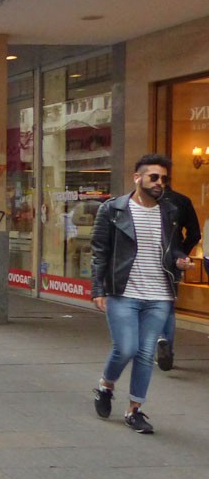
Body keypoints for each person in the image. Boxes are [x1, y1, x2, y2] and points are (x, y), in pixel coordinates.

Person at [91, 154, 191, 435]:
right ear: (138, 178)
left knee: (146, 354)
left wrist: (180, 258)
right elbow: (99, 251)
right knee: (126, 348)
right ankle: (105, 386)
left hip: (159, 295)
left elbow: (173, 249)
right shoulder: (113, 209)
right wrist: (98, 289)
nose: (160, 183)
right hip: (123, 292)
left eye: (163, 179)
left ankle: (134, 410)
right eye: (154, 177)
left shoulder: (169, 211)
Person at [154, 183, 200, 371]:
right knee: (168, 305)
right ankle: (166, 345)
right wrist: (180, 252)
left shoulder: (144, 201)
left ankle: (157, 339)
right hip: (172, 259)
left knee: (146, 305)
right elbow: (194, 233)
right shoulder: (182, 200)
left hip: (147, 259)